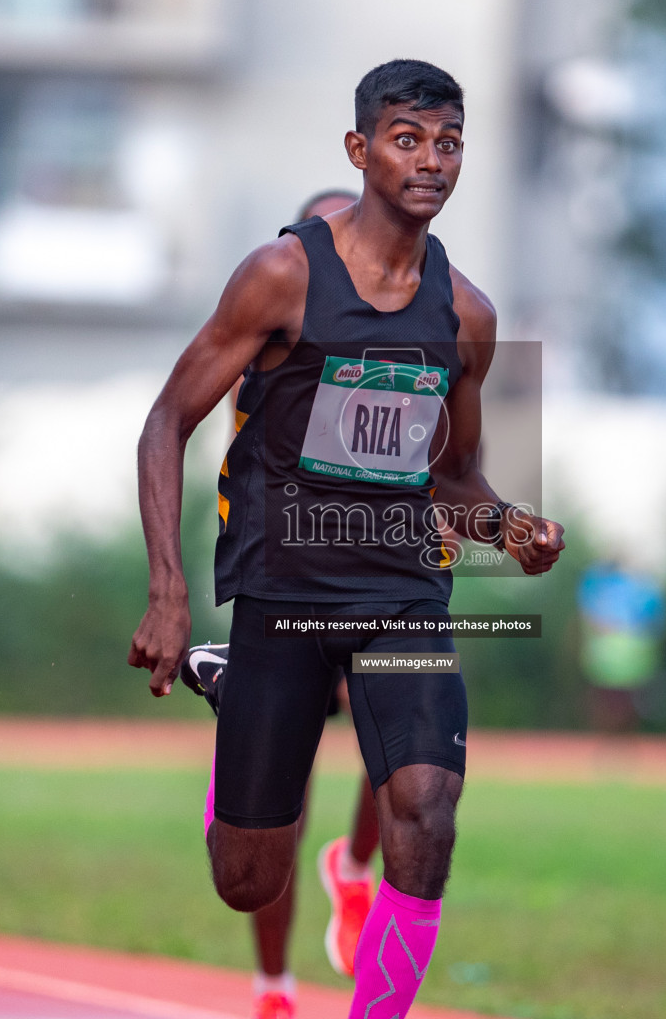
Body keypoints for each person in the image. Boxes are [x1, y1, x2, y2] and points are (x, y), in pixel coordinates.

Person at [128, 59, 565, 1019]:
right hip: (282, 595)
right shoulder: (282, 276)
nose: (431, 161)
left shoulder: (467, 316)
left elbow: (451, 477)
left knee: (426, 810)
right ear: (361, 150)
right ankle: (234, 684)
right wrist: (168, 591)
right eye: (408, 139)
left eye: (449, 143)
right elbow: (167, 421)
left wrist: (508, 525)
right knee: (247, 878)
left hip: (402, 593)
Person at [182, 188, 385, 1014]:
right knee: (278, 816)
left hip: (377, 580)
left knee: (410, 729)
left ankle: (357, 868)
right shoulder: (276, 326)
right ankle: (273, 989)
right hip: (286, 584)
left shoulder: (404, 329)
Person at [576, 561, 666, 733]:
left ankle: (613, 736)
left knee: (615, 701)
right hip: (621, 659)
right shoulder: (644, 588)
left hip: (619, 659)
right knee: (620, 701)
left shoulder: (604, 588)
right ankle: (618, 736)